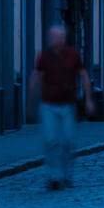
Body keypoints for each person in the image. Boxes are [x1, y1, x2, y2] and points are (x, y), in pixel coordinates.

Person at [28, 24, 95, 190]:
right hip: (48, 104)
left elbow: (84, 76)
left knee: (67, 141)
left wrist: (88, 100)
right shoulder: (43, 56)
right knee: (50, 141)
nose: (53, 40)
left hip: (68, 105)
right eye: (51, 37)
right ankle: (54, 176)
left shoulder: (73, 55)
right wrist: (30, 100)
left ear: (63, 39)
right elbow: (36, 77)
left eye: (56, 37)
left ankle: (66, 174)